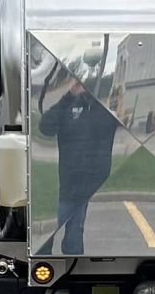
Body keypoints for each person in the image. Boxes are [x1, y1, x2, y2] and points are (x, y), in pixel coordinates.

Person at [40, 68, 122, 253]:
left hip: (93, 185)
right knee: (49, 231)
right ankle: (45, 261)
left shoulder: (107, 111)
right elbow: (45, 126)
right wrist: (69, 96)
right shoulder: (69, 106)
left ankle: (74, 263)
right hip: (67, 183)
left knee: (75, 233)